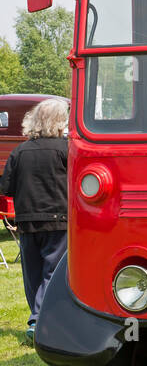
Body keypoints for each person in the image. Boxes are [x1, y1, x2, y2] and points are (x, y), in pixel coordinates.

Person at [0, 98, 69, 343]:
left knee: (32, 274)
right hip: (59, 219)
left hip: (27, 220)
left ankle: (38, 318)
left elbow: (5, 188)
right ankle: (39, 319)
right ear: (60, 122)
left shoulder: (20, 151)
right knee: (54, 271)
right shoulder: (66, 149)